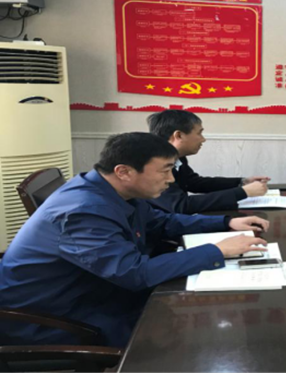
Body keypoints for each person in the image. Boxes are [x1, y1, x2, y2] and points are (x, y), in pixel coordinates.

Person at [0, 133, 270, 348]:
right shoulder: (83, 211)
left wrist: (225, 222)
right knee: (194, 339)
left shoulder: (109, 189)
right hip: (52, 318)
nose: (171, 179)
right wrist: (216, 251)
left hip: (95, 291)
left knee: (199, 315)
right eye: (164, 171)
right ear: (124, 171)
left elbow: (161, 222)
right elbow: (135, 274)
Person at [147, 110, 270, 214]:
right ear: (178, 135)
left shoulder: (177, 156)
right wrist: (242, 192)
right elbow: (181, 205)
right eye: (199, 133)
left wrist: (241, 182)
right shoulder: (153, 164)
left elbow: (193, 182)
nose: (203, 139)